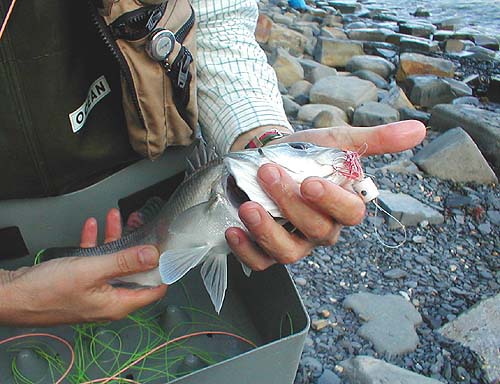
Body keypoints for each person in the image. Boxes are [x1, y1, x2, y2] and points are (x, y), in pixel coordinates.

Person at [0, 0, 426, 326]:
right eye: (298, 153)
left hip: (139, 170)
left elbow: (215, 21)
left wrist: (262, 135)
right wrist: (10, 297)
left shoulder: (234, 178)